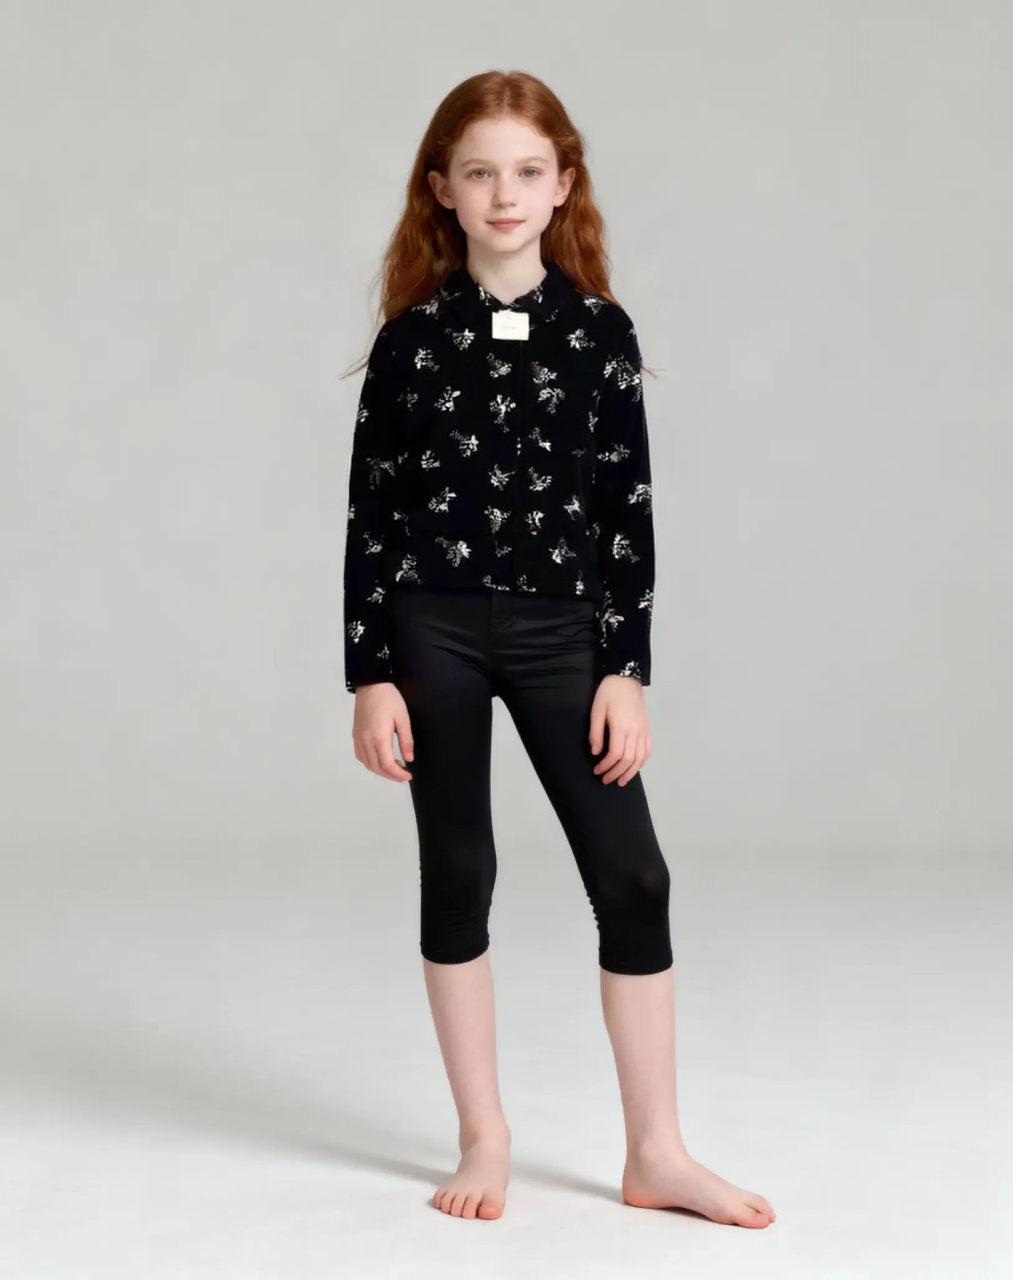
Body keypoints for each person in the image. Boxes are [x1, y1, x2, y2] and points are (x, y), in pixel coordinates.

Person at [341, 70, 776, 1230]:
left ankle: (656, 1150)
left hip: (559, 636)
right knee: (459, 868)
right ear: (441, 188)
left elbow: (626, 509)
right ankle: (483, 1132)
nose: (504, 192)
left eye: (527, 171)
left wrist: (625, 669)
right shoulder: (410, 342)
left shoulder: (599, 334)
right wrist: (369, 672)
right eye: (479, 171)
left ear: (563, 184)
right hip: (430, 625)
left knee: (633, 877)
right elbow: (371, 515)